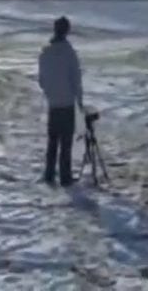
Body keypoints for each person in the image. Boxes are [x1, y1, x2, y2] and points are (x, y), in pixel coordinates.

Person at [38, 16, 83, 187]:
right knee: (65, 143)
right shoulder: (69, 53)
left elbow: (42, 80)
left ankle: (49, 174)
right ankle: (65, 177)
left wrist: (50, 92)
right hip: (67, 103)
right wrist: (79, 101)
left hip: (53, 103)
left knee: (52, 141)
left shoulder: (45, 52)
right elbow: (76, 80)